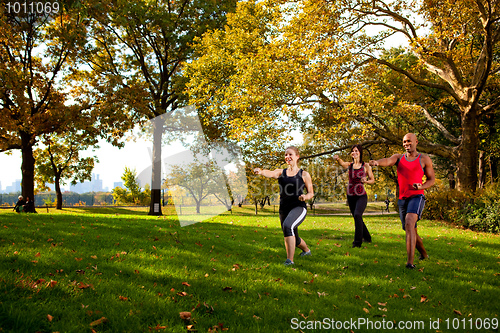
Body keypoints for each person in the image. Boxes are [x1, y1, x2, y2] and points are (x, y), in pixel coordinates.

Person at [369, 133, 435, 269]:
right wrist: (377, 163)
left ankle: (410, 263)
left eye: (409, 141)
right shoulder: (398, 158)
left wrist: (422, 186)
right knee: (411, 230)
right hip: (402, 199)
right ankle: (424, 254)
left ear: (416, 142)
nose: (406, 144)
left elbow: (431, 179)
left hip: (417, 196)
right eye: (404, 142)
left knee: (410, 222)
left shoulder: (424, 159)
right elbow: (387, 161)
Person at [254, 146, 314, 266]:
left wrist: (305, 197)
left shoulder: (304, 174)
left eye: (290, 154)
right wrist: (261, 171)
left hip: (299, 207)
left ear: (297, 156)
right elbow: (270, 173)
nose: (288, 157)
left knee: (288, 226)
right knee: (293, 237)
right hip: (284, 208)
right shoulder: (281, 172)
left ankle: (289, 261)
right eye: (286, 155)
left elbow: (311, 193)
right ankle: (307, 251)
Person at [334, 144, 375, 248]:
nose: (354, 153)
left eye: (356, 151)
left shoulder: (366, 166)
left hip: (361, 196)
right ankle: (367, 237)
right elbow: (342, 163)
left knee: (357, 215)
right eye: (353, 151)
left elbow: (372, 180)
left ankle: (357, 243)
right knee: (357, 217)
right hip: (350, 196)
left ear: (360, 152)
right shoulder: (350, 165)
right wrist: (338, 159)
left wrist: (366, 181)